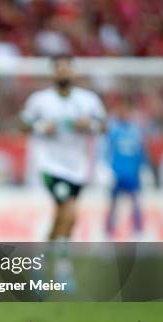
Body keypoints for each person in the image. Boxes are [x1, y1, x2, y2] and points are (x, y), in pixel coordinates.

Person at [20, 54, 106, 284]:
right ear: (53, 72)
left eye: (67, 68)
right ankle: (63, 268)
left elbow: (103, 125)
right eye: (59, 68)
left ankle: (42, 263)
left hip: (78, 167)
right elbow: (24, 123)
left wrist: (91, 125)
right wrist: (40, 127)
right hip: (49, 165)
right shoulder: (40, 99)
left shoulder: (89, 100)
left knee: (65, 217)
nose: (63, 72)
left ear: (74, 72)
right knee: (69, 211)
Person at [105, 97, 148, 238]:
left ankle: (138, 231)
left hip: (132, 174)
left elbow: (141, 152)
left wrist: (143, 168)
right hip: (117, 173)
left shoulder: (136, 131)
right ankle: (109, 232)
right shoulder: (114, 130)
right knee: (113, 203)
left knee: (136, 202)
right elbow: (107, 151)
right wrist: (106, 168)